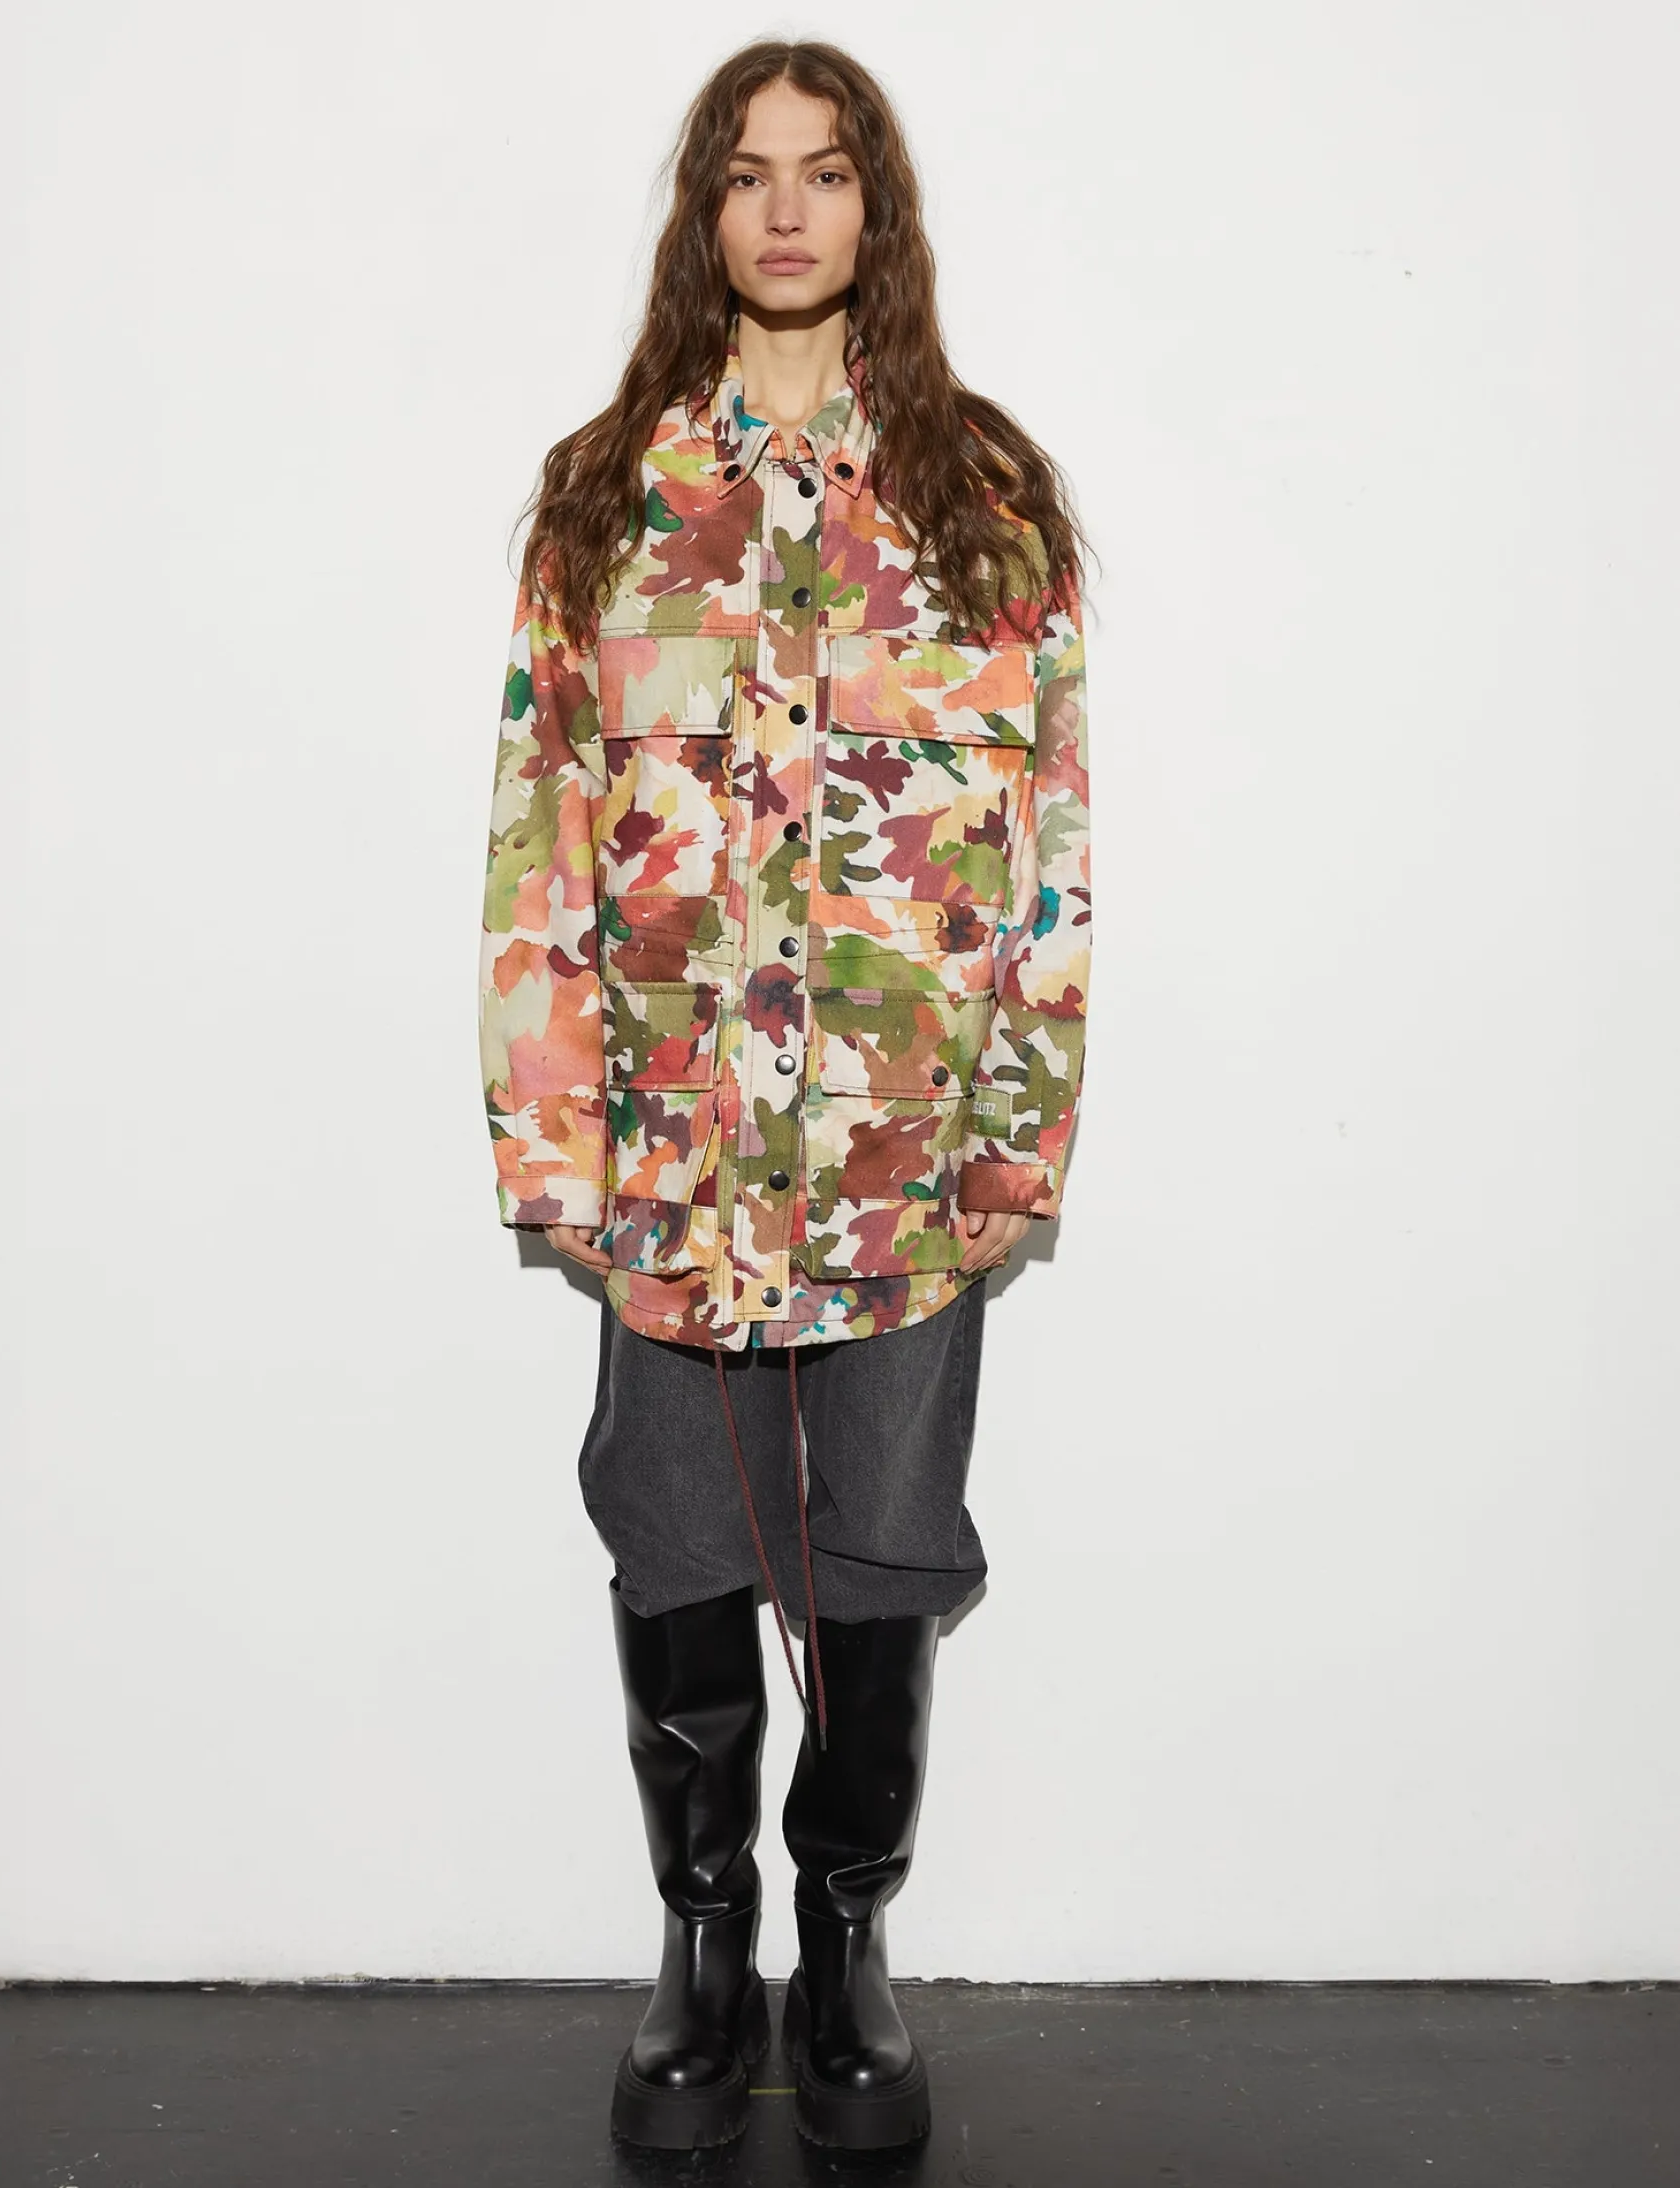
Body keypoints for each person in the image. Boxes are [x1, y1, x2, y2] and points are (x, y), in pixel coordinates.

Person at [477, 36, 1093, 2154]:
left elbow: (1047, 843)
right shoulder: (608, 494)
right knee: (670, 1533)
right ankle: (699, 1935)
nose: (785, 209)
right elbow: (540, 840)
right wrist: (550, 1139)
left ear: (872, 211)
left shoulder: (983, 499)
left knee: (884, 1548)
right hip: (670, 1158)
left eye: (824, 173)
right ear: (704, 212)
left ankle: (842, 1947)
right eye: (747, 173)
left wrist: (1018, 1131)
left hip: (903, 1155)